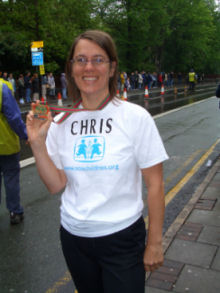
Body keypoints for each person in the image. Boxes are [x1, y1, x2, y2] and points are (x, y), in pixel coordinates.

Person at [26, 30, 168, 293]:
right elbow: (56, 185)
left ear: (112, 67)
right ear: (71, 68)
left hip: (122, 238)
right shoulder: (60, 122)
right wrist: (37, 144)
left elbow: (156, 184)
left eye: (98, 60)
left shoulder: (135, 117)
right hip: (74, 238)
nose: (88, 67)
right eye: (80, 60)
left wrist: (155, 242)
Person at [0, 78, 27, 224]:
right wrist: (26, 135)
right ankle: (14, 211)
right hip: (6, 144)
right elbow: (14, 118)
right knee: (11, 179)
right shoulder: (2, 87)